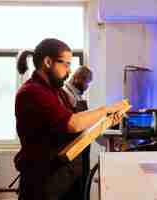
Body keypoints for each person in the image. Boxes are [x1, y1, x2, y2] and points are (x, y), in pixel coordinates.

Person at [14, 38, 124, 200]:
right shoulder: (32, 92)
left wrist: (107, 121)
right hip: (43, 181)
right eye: (66, 64)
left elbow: (79, 124)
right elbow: (72, 124)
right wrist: (106, 109)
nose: (70, 71)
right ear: (48, 62)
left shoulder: (56, 91)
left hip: (63, 177)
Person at [63, 66, 93, 200]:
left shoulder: (76, 94)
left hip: (82, 148)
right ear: (76, 78)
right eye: (86, 82)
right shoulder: (66, 94)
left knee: (82, 186)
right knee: (74, 190)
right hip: (74, 150)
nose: (87, 86)